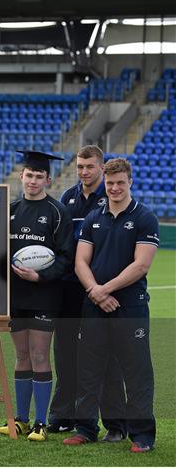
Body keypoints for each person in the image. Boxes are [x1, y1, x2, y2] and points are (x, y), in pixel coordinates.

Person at [63, 158, 159, 453]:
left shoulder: (144, 217)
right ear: (105, 182)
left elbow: (141, 265)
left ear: (130, 182)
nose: (115, 188)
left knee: (136, 371)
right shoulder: (94, 217)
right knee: (90, 369)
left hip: (129, 306)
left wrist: (105, 289)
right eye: (110, 183)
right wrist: (95, 291)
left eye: (120, 182)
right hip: (94, 306)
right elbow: (81, 261)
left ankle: (142, 435)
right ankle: (86, 428)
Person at [0, 150, 73, 441]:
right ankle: (20, 419)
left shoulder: (57, 212)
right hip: (16, 296)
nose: (33, 180)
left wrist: (40, 276)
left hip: (44, 295)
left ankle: (40, 422)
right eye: (29, 175)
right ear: (21, 176)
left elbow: (66, 257)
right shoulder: (11, 210)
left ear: (48, 180)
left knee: (40, 354)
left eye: (39, 176)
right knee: (22, 354)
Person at [48, 145, 127, 441]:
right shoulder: (67, 198)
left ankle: (115, 424)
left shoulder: (111, 198)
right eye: (80, 167)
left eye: (90, 167)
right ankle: (62, 415)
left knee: (105, 359)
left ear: (101, 166)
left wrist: (101, 287)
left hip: (102, 290)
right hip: (69, 289)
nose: (84, 172)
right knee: (65, 353)